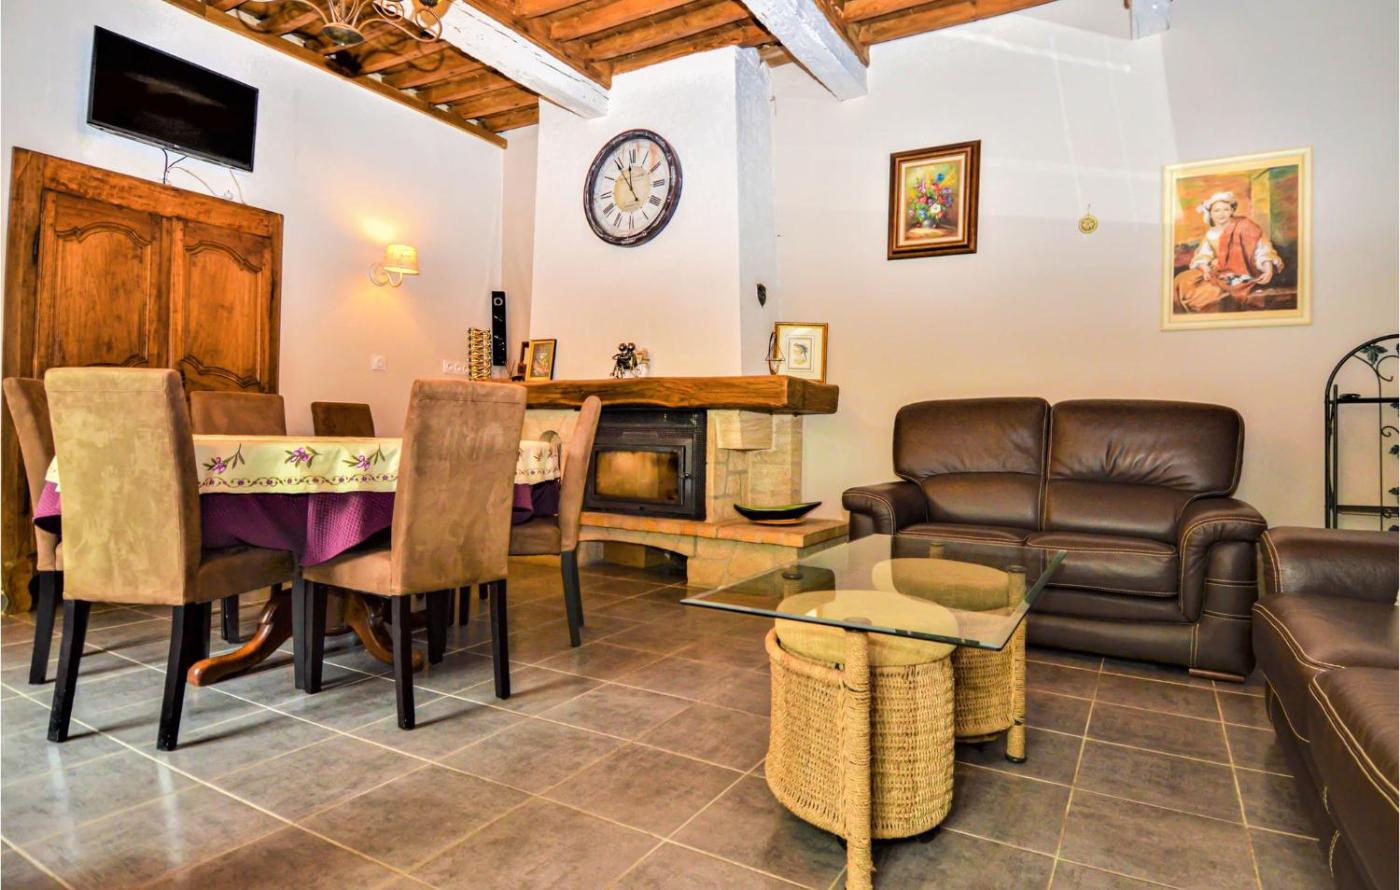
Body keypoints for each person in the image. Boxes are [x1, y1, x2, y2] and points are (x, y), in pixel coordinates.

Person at [1173, 191, 1285, 313]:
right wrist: (1206, 269)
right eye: (1216, 210)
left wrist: (1268, 270)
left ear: (1232, 210)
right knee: (1182, 279)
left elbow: (1262, 249)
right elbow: (1203, 255)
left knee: (1211, 294)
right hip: (1217, 271)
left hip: (1243, 272)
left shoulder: (1245, 226)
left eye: (1225, 209)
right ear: (1210, 213)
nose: (1221, 214)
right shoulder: (1211, 233)